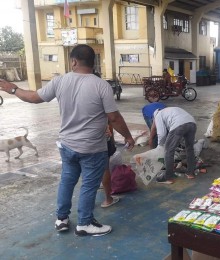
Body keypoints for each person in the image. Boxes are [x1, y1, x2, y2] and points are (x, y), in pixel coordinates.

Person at [0, 44, 135, 236]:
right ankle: (84, 223)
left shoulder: (60, 81)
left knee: (67, 180)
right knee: (88, 184)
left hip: (67, 145)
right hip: (92, 148)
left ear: (73, 61)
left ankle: (61, 219)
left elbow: (33, 97)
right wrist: (128, 136)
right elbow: (114, 117)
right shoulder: (101, 85)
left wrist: (13, 90)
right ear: (93, 63)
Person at [150, 107, 197, 184]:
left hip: (179, 125)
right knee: (190, 148)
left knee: (168, 151)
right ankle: (190, 173)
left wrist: (159, 146)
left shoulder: (158, 115)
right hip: (192, 123)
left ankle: (168, 177)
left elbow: (162, 134)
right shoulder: (169, 110)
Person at [100, 124, 120, 208]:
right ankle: (108, 199)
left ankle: (86, 202)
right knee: (105, 168)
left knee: (88, 167)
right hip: (100, 137)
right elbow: (112, 119)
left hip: (79, 140)